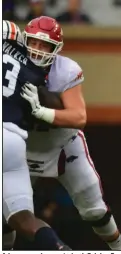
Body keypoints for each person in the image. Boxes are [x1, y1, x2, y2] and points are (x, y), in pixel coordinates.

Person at [4, 16, 121, 251]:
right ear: (23, 41)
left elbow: (78, 117)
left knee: (95, 211)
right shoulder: (13, 64)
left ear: (57, 49)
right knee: (9, 217)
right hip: (24, 148)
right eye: (34, 43)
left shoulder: (65, 70)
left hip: (61, 145)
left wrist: (42, 111)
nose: (38, 51)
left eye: (45, 46)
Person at [2, 20, 70, 250]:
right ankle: (61, 248)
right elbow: (57, 108)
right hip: (13, 141)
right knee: (22, 220)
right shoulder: (31, 69)